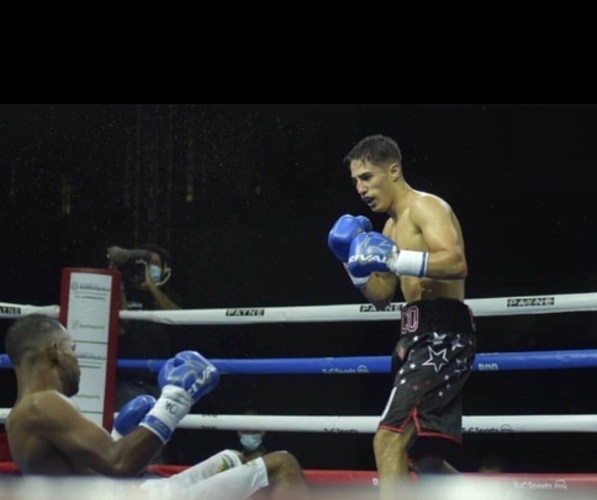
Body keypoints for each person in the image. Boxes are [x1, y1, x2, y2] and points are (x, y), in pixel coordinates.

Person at [4, 314, 309, 500]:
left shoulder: (25, 414)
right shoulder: (41, 404)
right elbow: (120, 464)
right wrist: (175, 399)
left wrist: (120, 436)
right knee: (281, 466)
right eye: (73, 350)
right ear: (55, 351)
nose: (78, 362)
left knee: (231, 458)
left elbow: (89, 475)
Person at [327, 134, 477, 498]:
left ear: (393, 170)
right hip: (413, 337)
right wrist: (354, 267)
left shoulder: (428, 208)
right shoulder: (390, 228)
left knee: (388, 440)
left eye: (367, 177)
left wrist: (396, 259)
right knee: (424, 462)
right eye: (355, 182)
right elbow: (383, 295)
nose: (360, 189)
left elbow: (457, 264)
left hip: (443, 335)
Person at [108, 243, 181, 466]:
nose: (150, 268)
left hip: (159, 384)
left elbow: (179, 317)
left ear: (166, 269)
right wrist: (118, 282)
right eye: (146, 264)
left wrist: (152, 287)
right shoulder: (126, 294)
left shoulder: (169, 295)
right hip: (128, 381)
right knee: (125, 442)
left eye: (155, 264)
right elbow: (123, 325)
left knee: (153, 446)